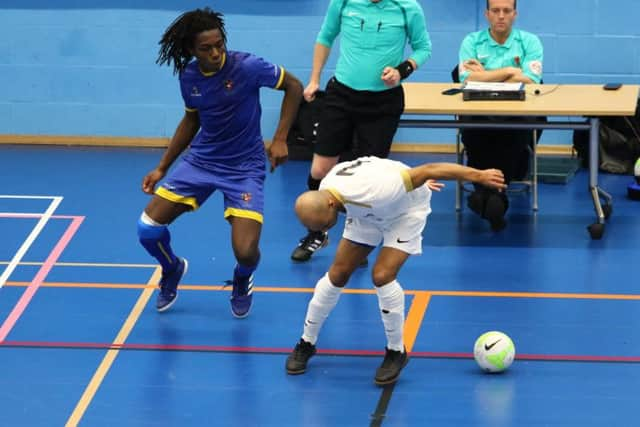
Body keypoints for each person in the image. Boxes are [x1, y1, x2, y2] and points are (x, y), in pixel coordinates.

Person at [136, 8, 303, 317]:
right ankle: (171, 268)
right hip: (202, 160)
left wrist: (280, 138)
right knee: (147, 228)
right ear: (191, 50)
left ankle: (242, 278)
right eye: (206, 48)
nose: (215, 52)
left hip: (244, 168)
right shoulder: (189, 76)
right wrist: (162, 167)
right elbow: (191, 120)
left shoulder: (248, 66)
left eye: (219, 44)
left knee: (246, 251)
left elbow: (293, 85)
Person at [285, 156, 505, 385]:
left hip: (404, 213)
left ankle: (396, 352)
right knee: (337, 274)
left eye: (325, 225)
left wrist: (479, 175)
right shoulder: (326, 189)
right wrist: (406, 183)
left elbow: (430, 168)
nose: (325, 229)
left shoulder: (379, 190)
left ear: (330, 204)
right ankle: (306, 343)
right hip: (366, 213)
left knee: (382, 276)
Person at [290, 0, 432, 262]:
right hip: (341, 94)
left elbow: (424, 48)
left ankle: (357, 239)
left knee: (368, 178)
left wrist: (402, 70)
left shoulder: (407, 7)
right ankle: (316, 233)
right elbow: (326, 36)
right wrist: (314, 79)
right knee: (320, 171)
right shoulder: (343, 2)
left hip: (383, 102)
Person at [458, 0, 544, 231]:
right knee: (476, 133)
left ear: (515, 14)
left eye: (507, 11)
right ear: (487, 14)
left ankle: (488, 193)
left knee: (513, 134)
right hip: (478, 112)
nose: (501, 16)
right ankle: (496, 196)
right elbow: (466, 79)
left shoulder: (529, 42)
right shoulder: (471, 41)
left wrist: (484, 74)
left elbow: (531, 80)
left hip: (519, 113)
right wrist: (508, 71)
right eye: (496, 11)